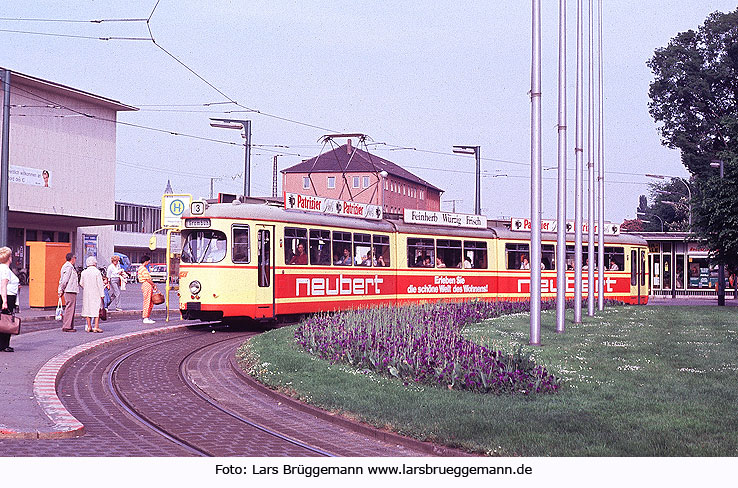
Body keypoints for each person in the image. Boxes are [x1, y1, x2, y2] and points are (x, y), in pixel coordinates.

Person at [0, 247, 19, 352]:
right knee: (6, 321)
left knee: (2, 320)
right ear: (9, 258)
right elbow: (3, 285)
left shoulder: (0, 268)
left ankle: (2, 344)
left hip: (4, 296)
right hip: (7, 297)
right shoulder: (6, 270)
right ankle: (4, 344)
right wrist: (5, 301)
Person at [79, 256, 105, 333]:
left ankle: (89, 326)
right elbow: (100, 284)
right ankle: (96, 326)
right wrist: (102, 294)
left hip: (87, 293)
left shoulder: (84, 272)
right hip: (96, 292)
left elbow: (81, 283)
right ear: (94, 263)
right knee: (96, 309)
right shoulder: (97, 272)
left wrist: (86, 287)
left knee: (87, 309)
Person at [58, 252, 79, 332]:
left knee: (70, 307)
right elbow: (65, 279)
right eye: (75, 258)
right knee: (70, 307)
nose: (75, 260)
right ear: (72, 258)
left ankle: (69, 325)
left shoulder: (67, 266)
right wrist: (61, 289)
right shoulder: (68, 267)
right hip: (70, 289)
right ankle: (67, 326)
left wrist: (61, 289)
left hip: (70, 289)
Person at [138, 255, 157, 324]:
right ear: (145, 261)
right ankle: (145, 317)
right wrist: (154, 284)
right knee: (147, 301)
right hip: (146, 284)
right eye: (148, 261)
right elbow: (147, 279)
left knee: (150, 301)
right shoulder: (143, 269)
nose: (149, 262)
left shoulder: (142, 268)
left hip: (146, 284)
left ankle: (147, 316)